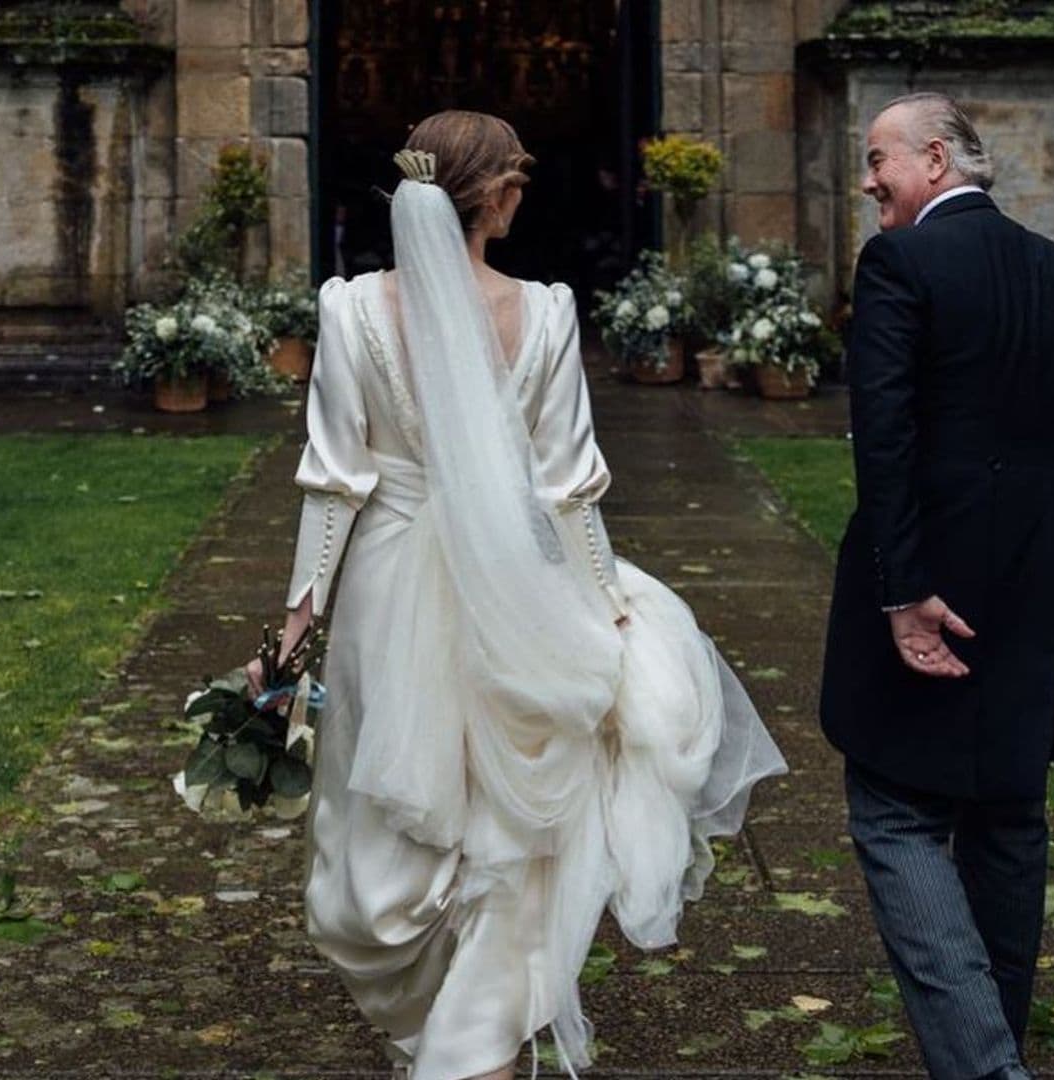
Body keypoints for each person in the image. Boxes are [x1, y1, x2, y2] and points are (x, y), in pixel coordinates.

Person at [256, 110, 786, 1080]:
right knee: (508, 816)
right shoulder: (544, 312)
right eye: (519, 186)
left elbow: (333, 479)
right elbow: (570, 487)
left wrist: (294, 630)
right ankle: (479, 1029)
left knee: (379, 839)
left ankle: (464, 1039)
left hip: (383, 581)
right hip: (519, 587)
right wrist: (605, 610)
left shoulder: (348, 313)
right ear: (496, 199)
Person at [819, 92, 1054, 1080]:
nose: (868, 183)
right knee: (1006, 821)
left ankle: (988, 1071)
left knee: (895, 811)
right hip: (1043, 589)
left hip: (936, 587)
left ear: (936, 160)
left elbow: (884, 433)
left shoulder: (898, 262)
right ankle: (991, 1055)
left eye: (877, 159)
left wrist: (903, 589)